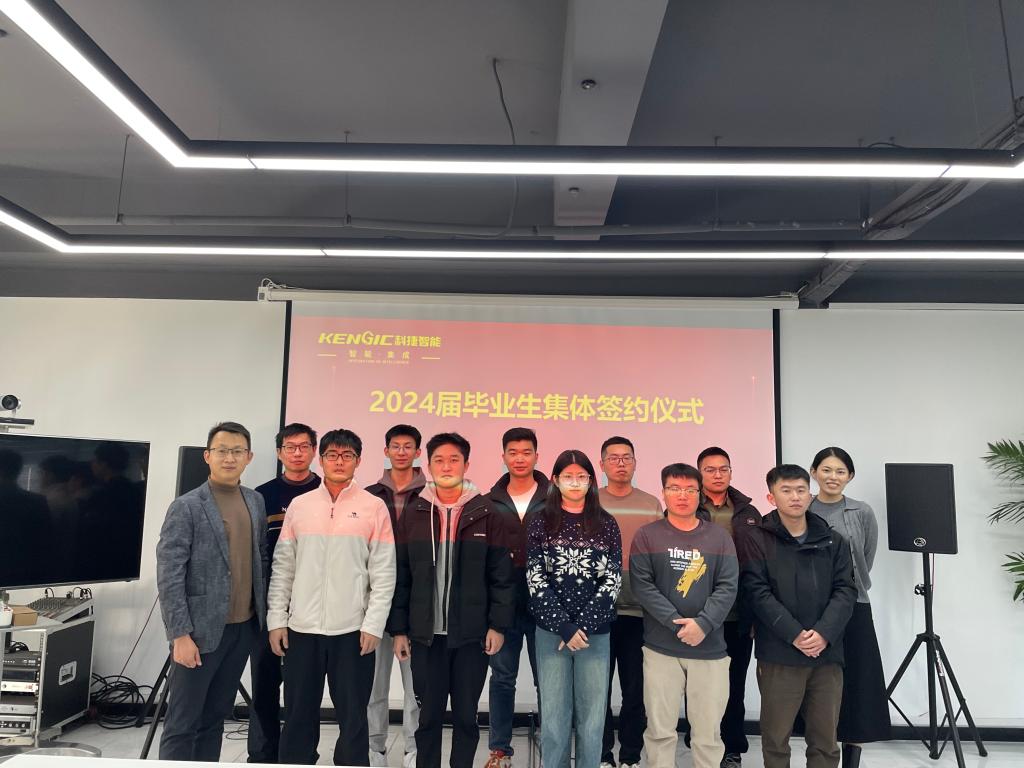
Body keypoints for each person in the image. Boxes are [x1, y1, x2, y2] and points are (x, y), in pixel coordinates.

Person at [267, 428, 396, 766]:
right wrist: (277, 620)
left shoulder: (373, 507)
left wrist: (373, 625)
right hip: (301, 629)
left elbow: (383, 573)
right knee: (298, 713)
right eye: (332, 455)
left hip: (353, 632)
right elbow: (283, 568)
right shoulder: (301, 506)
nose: (339, 461)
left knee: (353, 717)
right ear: (321, 459)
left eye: (347, 455)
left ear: (358, 461)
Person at [387, 432, 514, 768]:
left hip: (471, 636)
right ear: (428, 466)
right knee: (427, 718)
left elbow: (501, 576)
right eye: (439, 460)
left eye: (454, 460)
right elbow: (401, 576)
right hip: (425, 636)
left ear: (466, 465)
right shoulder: (414, 512)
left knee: (466, 718)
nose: (446, 466)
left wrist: (498, 626)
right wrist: (399, 629)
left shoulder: (487, 513)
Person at [156, 422, 268, 762]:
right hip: (198, 633)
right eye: (222, 451)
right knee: (182, 722)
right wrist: (180, 635)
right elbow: (170, 574)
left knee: (215, 718)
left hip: (242, 630)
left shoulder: (255, 501)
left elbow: (260, 557)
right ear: (207, 456)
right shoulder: (187, 506)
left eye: (237, 451)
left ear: (248, 457)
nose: (229, 458)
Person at [739, 465, 857, 768]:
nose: (795, 497)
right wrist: (795, 634)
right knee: (776, 739)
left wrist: (824, 633)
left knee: (825, 740)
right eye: (786, 490)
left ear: (810, 494)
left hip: (826, 654)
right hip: (779, 653)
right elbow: (757, 592)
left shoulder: (833, 540)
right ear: (771, 497)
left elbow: (845, 590)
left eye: (801, 490)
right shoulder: (757, 538)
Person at [631, 463, 738, 768]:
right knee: (660, 731)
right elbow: (642, 585)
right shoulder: (647, 535)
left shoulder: (719, 537)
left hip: (709, 649)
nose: (682, 495)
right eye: (674, 489)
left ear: (700, 493)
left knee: (708, 734)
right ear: (663, 492)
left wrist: (703, 624)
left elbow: (728, 585)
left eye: (690, 489)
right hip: (661, 648)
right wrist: (676, 623)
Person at [528, 449, 622, 768]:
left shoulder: (606, 523)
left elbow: (612, 580)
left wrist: (582, 627)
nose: (575, 482)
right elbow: (535, 578)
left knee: (592, 720)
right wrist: (564, 627)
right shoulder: (541, 521)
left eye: (581, 476)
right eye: (568, 476)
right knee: (554, 718)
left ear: (591, 480)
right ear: (555, 480)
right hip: (551, 634)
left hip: (595, 635)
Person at [809, 447, 891, 768]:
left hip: (854, 606)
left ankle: (852, 759)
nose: (833, 477)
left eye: (840, 471)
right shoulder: (802, 507)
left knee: (857, 682)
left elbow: (865, 559)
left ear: (850, 476)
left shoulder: (861, 512)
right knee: (820, 682)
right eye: (826, 470)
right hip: (813, 610)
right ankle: (822, 754)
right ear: (814, 472)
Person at [248, 423, 321, 764]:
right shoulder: (260, 495)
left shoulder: (326, 491)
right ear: (279, 453)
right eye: (290, 447)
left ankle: (300, 755)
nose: (297, 453)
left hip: (312, 605)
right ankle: (262, 755)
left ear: (314, 451)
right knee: (264, 684)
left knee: (303, 689)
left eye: (304, 447)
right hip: (267, 604)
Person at [484, 427, 549, 768]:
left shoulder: (554, 498)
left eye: (526, 452)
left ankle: (552, 746)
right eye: (513, 452)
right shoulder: (489, 501)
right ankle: (499, 750)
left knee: (548, 681)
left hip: (546, 603)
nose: (520, 458)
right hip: (503, 603)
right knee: (502, 677)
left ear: (537, 456)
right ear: (503, 456)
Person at [597, 437, 661, 768]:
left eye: (627, 458)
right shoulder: (591, 501)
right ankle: (602, 754)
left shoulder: (651, 504)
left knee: (635, 690)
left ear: (635, 463)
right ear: (602, 464)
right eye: (614, 458)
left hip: (639, 611)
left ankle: (630, 756)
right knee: (598, 691)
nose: (621, 463)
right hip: (596, 612)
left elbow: (660, 556)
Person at [696, 447, 761, 768]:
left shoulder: (749, 513)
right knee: (701, 686)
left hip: (738, 614)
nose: (717, 474)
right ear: (700, 474)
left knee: (734, 685)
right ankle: (702, 743)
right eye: (710, 470)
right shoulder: (687, 507)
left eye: (723, 469)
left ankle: (731, 749)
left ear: (731, 472)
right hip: (699, 614)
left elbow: (760, 562)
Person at [366, 424, 426, 768]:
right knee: (374, 684)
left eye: (408, 446)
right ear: (386, 451)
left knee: (414, 686)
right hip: (373, 601)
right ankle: (374, 747)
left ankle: (412, 748)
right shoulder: (369, 496)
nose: (401, 452)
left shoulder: (432, 495)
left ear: (418, 452)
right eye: (395, 446)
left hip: (416, 603)